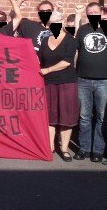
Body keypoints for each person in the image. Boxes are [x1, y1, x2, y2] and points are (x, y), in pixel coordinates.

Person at [73, 2, 107, 163]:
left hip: (104, 80)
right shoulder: (83, 29)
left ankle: (98, 150)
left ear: (101, 12)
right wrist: (76, 16)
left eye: (96, 11)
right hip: (83, 79)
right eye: (90, 12)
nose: (93, 14)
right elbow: (76, 48)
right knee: (84, 116)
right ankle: (84, 148)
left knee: (101, 117)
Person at [38, 11, 78, 161]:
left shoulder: (70, 40)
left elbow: (67, 62)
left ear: (62, 22)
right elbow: (39, 60)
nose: (53, 25)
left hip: (67, 82)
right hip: (49, 83)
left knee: (66, 116)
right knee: (50, 117)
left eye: (56, 22)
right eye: (50, 23)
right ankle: (50, 148)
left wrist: (47, 70)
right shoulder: (44, 41)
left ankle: (64, 148)